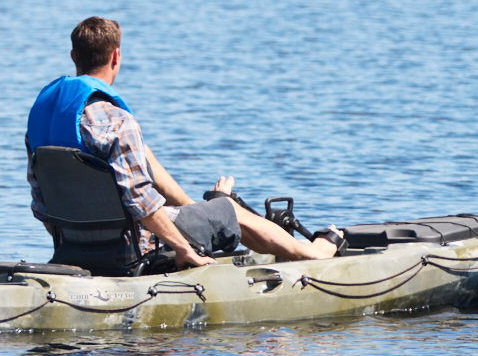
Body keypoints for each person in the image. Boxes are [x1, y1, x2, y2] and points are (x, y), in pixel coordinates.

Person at [25, 15, 334, 268]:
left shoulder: (43, 119)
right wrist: (183, 248)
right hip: (133, 248)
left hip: (72, 248)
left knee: (168, 180)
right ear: (116, 56)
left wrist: (78, 244)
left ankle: (201, 210)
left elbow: (41, 203)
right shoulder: (119, 122)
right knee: (228, 209)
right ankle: (313, 254)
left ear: (73, 57)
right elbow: (140, 202)